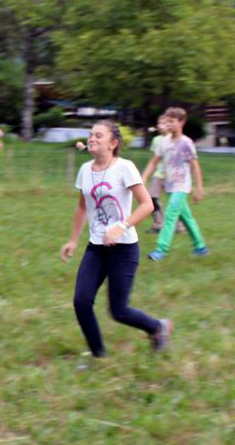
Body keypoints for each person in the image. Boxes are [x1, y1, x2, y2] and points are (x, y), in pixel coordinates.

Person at [60, 120, 172, 359]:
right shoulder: (85, 170)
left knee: (119, 310)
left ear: (113, 143)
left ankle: (157, 327)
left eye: (98, 135)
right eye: (91, 134)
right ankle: (99, 355)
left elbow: (147, 205)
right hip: (96, 248)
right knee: (81, 302)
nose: (92, 138)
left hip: (124, 250)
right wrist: (73, 240)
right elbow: (82, 208)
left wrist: (122, 227)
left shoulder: (125, 167)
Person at [143, 107, 208, 260]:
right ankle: (201, 246)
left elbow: (195, 166)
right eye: (167, 122)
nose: (168, 125)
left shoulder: (187, 143)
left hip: (182, 186)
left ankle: (161, 249)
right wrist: (143, 177)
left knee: (170, 214)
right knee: (186, 217)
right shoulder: (163, 142)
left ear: (181, 122)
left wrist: (199, 188)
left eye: (171, 121)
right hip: (170, 186)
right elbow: (154, 162)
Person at [146, 115, 170, 232]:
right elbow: (154, 159)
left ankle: (179, 226)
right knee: (151, 198)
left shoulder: (175, 139)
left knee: (175, 202)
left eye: (163, 123)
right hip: (159, 174)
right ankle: (158, 225)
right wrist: (146, 176)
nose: (160, 126)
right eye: (159, 123)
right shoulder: (156, 140)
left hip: (172, 176)